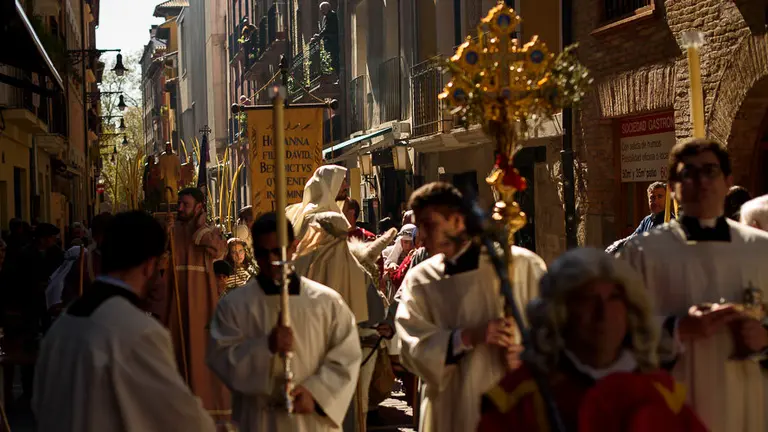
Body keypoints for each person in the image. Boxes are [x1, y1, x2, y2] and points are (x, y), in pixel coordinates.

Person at [618, 138, 768, 432]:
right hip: (673, 404)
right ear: (673, 186)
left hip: (748, 402)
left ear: (728, 181)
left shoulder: (760, 249)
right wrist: (677, 329)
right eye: (689, 173)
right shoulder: (641, 252)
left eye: (710, 171)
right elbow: (614, 330)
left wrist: (763, 338)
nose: (701, 181)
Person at [477, 248, 706, 432]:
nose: (603, 313)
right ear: (561, 312)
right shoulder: (519, 400)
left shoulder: (662, 395)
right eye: (588, 299)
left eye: (614, 298)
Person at [32, 211, 215, 432]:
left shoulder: (61, 328)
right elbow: (184, 420)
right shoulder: (138, 332)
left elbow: (40, 406)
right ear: (149, 265)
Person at [394, 182, 547, 432]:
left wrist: (530, 358)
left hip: (513, 406)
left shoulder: (523, 266)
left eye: (429, 225)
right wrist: (465, 337)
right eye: (419, 226)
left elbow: (556, 335)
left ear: (457, 221)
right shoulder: (421, 280)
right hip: (451, 410)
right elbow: (411, 347)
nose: (421, 236)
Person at [207, 212, 362, 432]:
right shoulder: (234, 306)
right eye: (263, 253)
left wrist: (316, 393)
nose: (271, 261)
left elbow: (347, 356)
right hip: (260, 421)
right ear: (255, 253)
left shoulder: (327, 303)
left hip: (310, 422)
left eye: (277, 251)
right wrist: (265, 347)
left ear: (294, 247)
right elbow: (221, 359)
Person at [159, 187, 230, 421]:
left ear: (199, 207)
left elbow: (219, 251)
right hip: (175, 304)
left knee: (201, 357)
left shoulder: (209, 233)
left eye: (185, 205)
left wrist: (199, 227)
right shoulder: (172, 231)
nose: (179, 208)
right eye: (178, 204)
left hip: (202, 307)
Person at [288, 165, 369, 323]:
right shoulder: (314, 217)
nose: (346, 185)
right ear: (328, 184)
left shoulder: (331, 213)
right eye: (342, 181)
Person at [311, 2, 339, 73]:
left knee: (334, 60)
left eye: (322, 9)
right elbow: (324, 29)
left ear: (327, 8)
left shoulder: (331, 15)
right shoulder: (325, 17)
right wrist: (318, 35)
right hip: (328, 42)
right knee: (330, 60)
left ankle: (337, 76)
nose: (321, 12)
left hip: (333, 42)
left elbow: (327, 29)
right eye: (320, 10)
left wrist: (319, 36)